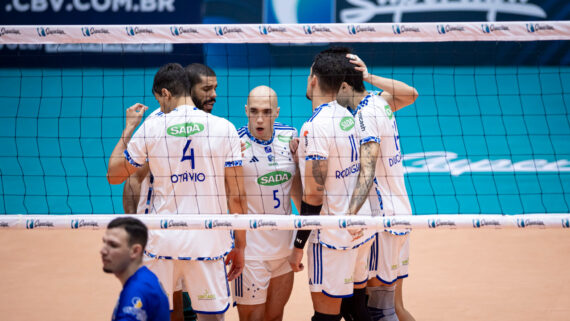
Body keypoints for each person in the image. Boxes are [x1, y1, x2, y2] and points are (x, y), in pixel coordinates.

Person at [107, 63, 247, 321]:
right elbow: (237, 196)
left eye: (159, 100)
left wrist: (128, 129)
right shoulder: (225, 128)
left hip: (162, 240)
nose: (160, 107)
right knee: (212, 318)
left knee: (162, 314)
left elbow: (115, 176)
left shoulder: (151, 127)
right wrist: (240, 245)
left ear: (166, 94)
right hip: (208, 241)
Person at [122, 63, 218, 321]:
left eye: (215, 88)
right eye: (206, 89)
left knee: (199, 310)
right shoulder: (157, 124)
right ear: (189, 89)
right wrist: (134, 229)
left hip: (199, 235)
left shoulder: (212, 126)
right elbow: (132, 180)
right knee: (172, 310)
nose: (213, 95)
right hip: (162, 234)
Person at [288, 49, 375, 321]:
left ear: (314, 79)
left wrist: (298, 245)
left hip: (332, 237)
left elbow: (314, 195)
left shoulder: (314, 127)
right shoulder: (351, 116)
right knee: (357, 310)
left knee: (326, 317)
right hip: (362, 228)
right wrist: (299, 155)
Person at [337, 51, 418, 321]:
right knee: (395, 307)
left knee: (380, 311)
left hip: (382, 223)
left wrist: (348, 218)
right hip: (401, 214)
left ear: (344, 84)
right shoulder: (379, 102)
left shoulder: (364, 114)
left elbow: (367, 171)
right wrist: (369, 78)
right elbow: (411, 94)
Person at [233, 85, 302, 321]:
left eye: (267, 111)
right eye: (254, 111)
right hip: (251, 252)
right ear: (245, 111)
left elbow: (296, 188)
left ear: (277, 112)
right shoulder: (235, 142)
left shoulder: (291, 136)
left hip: (284, 248)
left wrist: (308, 230)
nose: (260, 118)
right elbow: (229, 197)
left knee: (275, 318)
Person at [101, 216, 170, 321]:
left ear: (135, 251)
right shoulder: (146, 277)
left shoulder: (136, 291)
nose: (103, 251)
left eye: (113, 245)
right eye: (104, 242)